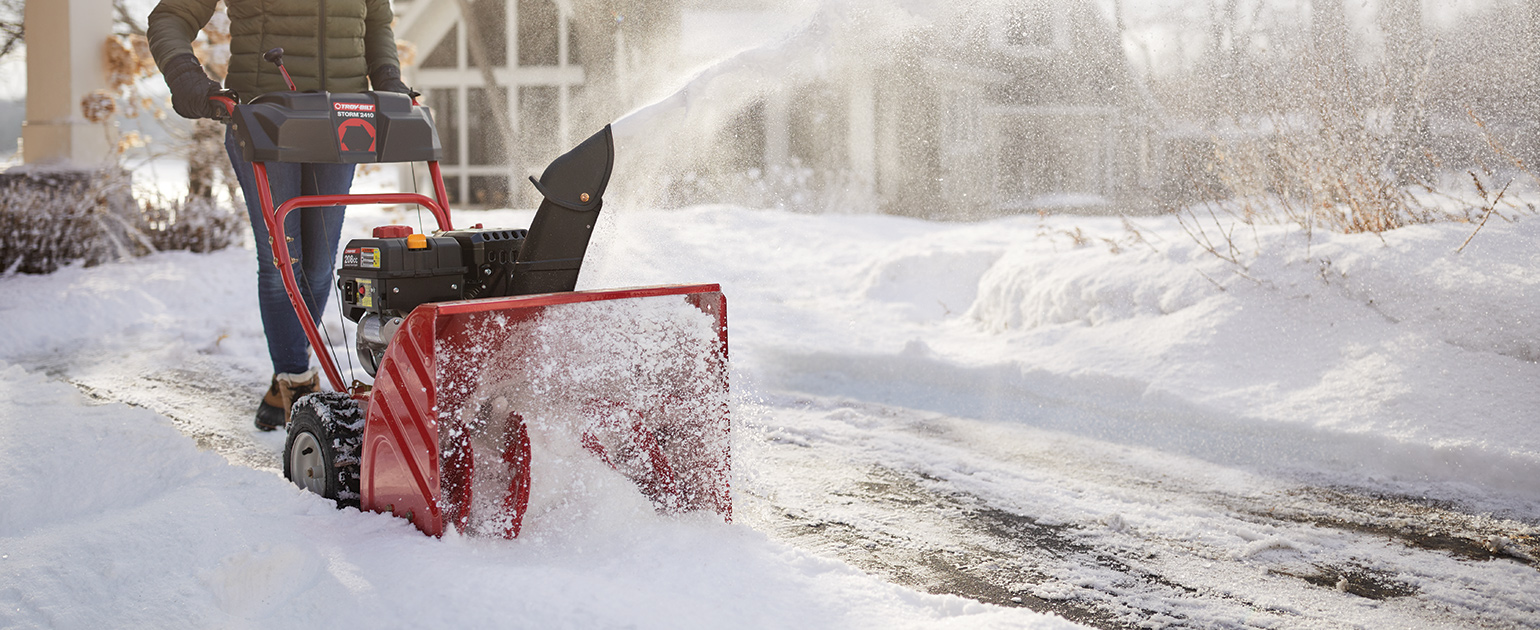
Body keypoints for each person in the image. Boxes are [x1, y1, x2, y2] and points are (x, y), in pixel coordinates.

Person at [146, 0, 414, 431]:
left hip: (343, 118)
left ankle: (288, 373)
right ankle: (297, 384)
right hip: (266, 116)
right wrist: (186, 78)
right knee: (281, 260)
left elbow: (377, 20)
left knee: (319, 263)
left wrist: (387, 79)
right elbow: (169, 16)